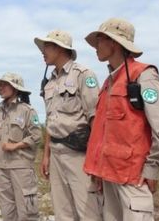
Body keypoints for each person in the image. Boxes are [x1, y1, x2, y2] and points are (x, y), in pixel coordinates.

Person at [83, 18, 159, 221]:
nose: (95, 47)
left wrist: (152, 167)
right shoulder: (108, 83)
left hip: (132, 178)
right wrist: (98, 169)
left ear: (114, 43)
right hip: (108, 177)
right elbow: (104, 132)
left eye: (99, 40)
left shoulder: (144, 76)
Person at [34, 30, 103, 220]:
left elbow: (95, 118)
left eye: (46, 46)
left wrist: (97, 159)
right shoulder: (49, 83)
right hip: (56, 154)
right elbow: (51, 121)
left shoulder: (83, 75)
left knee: (87, 211)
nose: (43, 51)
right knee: (62, 212)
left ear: (59, 48)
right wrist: (46, 155)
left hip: (79, 154)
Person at [0, 72, 42, 221]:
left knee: (26, 212)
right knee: (7, 211)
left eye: (5, 84)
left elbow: (37, 136)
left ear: (15, 88)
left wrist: (16, 146)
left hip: (21, 168)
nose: (1, 87)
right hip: (2, 168)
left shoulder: (27, 110)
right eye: (1, 84)